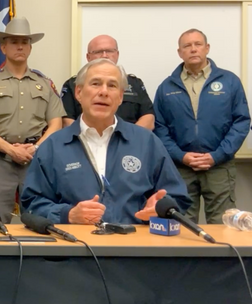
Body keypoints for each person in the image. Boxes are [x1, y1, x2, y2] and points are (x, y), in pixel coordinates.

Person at [21, 58, 191, 224]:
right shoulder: (53, 146)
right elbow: (31, 204)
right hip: (76, 247)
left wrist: (162, 207)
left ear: (120, 97)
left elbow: (178, 197)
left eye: (112, 85)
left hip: (134, 247)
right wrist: (68, 214)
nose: (103, 92)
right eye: (95, 84)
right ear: (78, 93)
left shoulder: (147, 143)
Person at [0, 17, 66, 223]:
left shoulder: (45, 84)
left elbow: (56, 124)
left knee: (41, 219)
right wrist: (11, 150)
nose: (19, 46)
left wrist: (35, 148)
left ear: (30, 48)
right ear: (3, 47)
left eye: (24, 42)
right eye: (13, 42)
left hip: (36, 160)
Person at [154, 29, 250, 224]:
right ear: (180, 52)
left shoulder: (229, 81)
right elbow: (159, 128)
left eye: (198, 44)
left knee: (224, 224)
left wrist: (217, 155)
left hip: (219, 167)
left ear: (207, 48)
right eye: (187, 46)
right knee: (181, 226)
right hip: (181, 169)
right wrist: (181, 156)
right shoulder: (167, 87)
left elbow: (241, 122)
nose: (193, 49)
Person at [61, 35, 154, 129]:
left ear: (117, 54)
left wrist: (127, 138)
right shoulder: (73, 84)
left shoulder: (134, 83)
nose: (104, 55)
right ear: (88, 57)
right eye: (98, 52)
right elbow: (67, 121)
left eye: (110, 51)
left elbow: (148, 119)